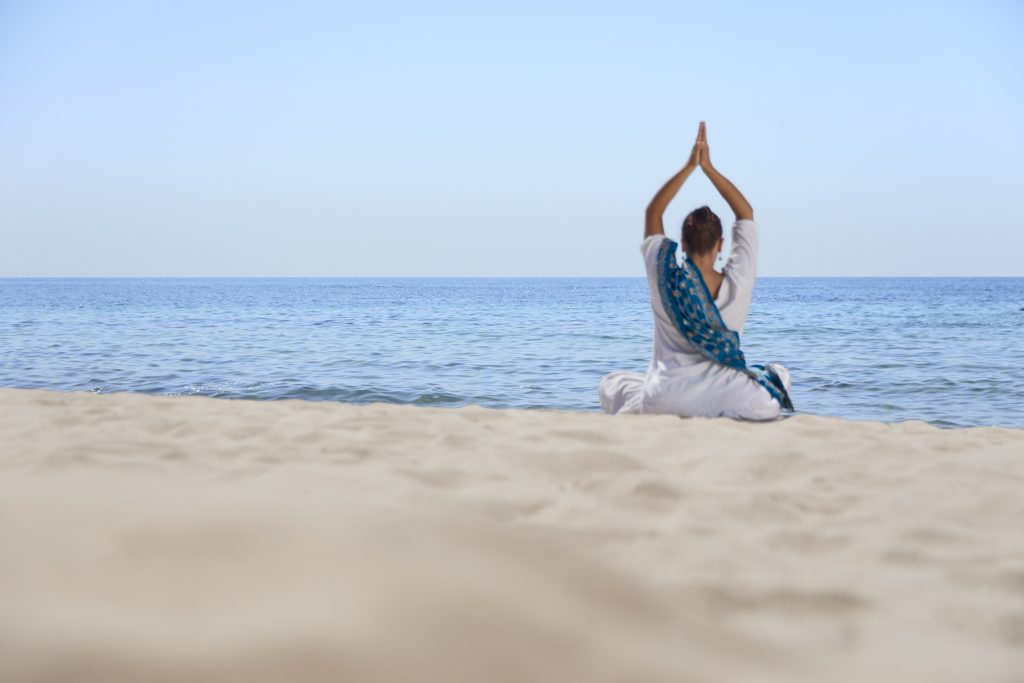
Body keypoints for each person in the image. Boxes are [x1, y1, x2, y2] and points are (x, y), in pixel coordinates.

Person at [599, 122, 794, 420]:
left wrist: (690, 166)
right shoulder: (738, 282)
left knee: (613, 383)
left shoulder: (664, 276)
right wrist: (709, 168)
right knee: (777, 374)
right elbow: (746, 213)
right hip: (727, 395)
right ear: (721, 244)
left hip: (666, 396)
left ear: (682, 244)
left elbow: (653, 212)